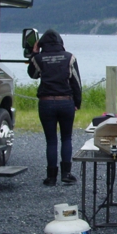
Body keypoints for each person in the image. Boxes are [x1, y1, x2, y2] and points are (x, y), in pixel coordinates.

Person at [27, 29, 82, 186]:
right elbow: (76, 83)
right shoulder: (69, 57)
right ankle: (66, 174)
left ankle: (51, 177)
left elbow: (33, 75)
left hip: (46, 102)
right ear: (60, 42)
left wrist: (34, 53)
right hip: (66, 101)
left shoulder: (39, 58)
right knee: (66, 138)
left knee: (51, 141)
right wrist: (77, 102)